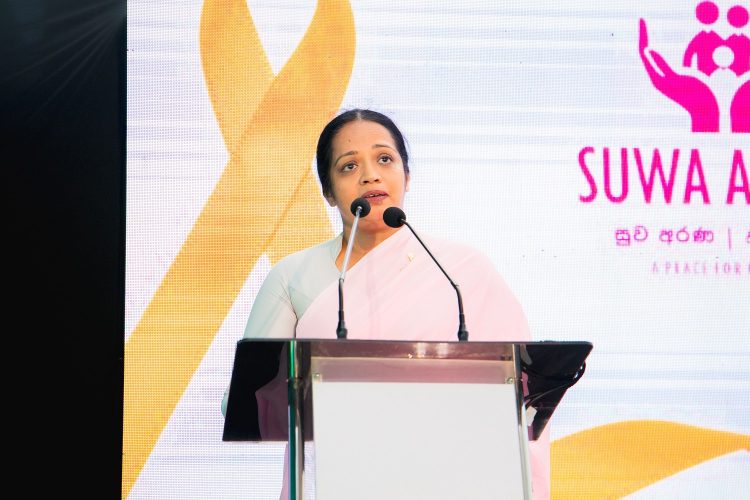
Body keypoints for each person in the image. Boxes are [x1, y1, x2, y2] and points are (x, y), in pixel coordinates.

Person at [226, 108, 551, 499]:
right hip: (336, 482)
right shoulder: (292, 277)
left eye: (384, 159)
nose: (370, 175)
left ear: (406, 176)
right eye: (349, 166)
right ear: (328, 191)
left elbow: (522, 397)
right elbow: (246, 403)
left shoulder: (461, 272)